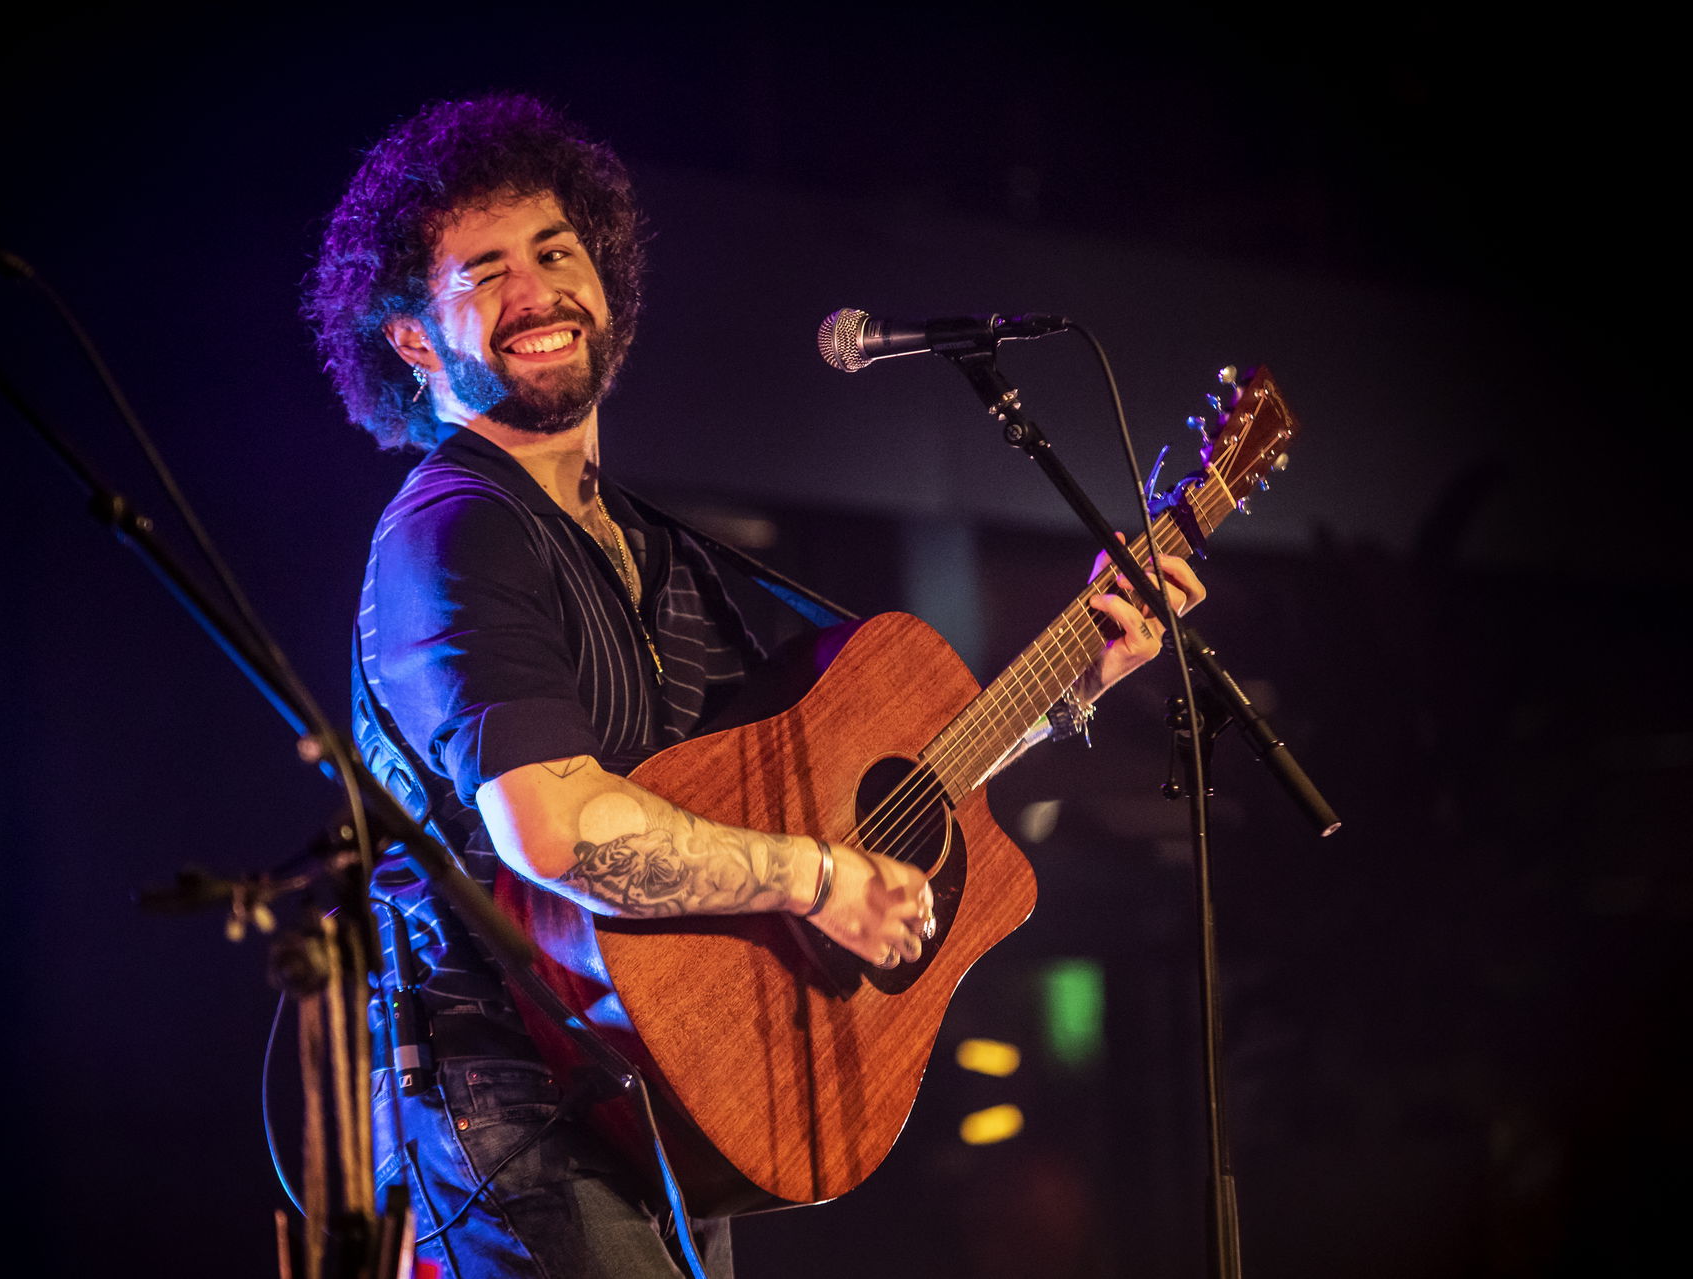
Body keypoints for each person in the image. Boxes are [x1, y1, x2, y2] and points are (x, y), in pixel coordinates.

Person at [304, 94, 1203, 1279]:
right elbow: (554, 827)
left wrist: (1071, 680)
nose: (537, 290)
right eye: (485, 270)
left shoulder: (659, 548)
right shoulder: (457, 532)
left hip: (661, 1101)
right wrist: (822, 881)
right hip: (517, 1107)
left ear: (609, 280)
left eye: (557, 250)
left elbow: (827, 799)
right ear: (414, 339)